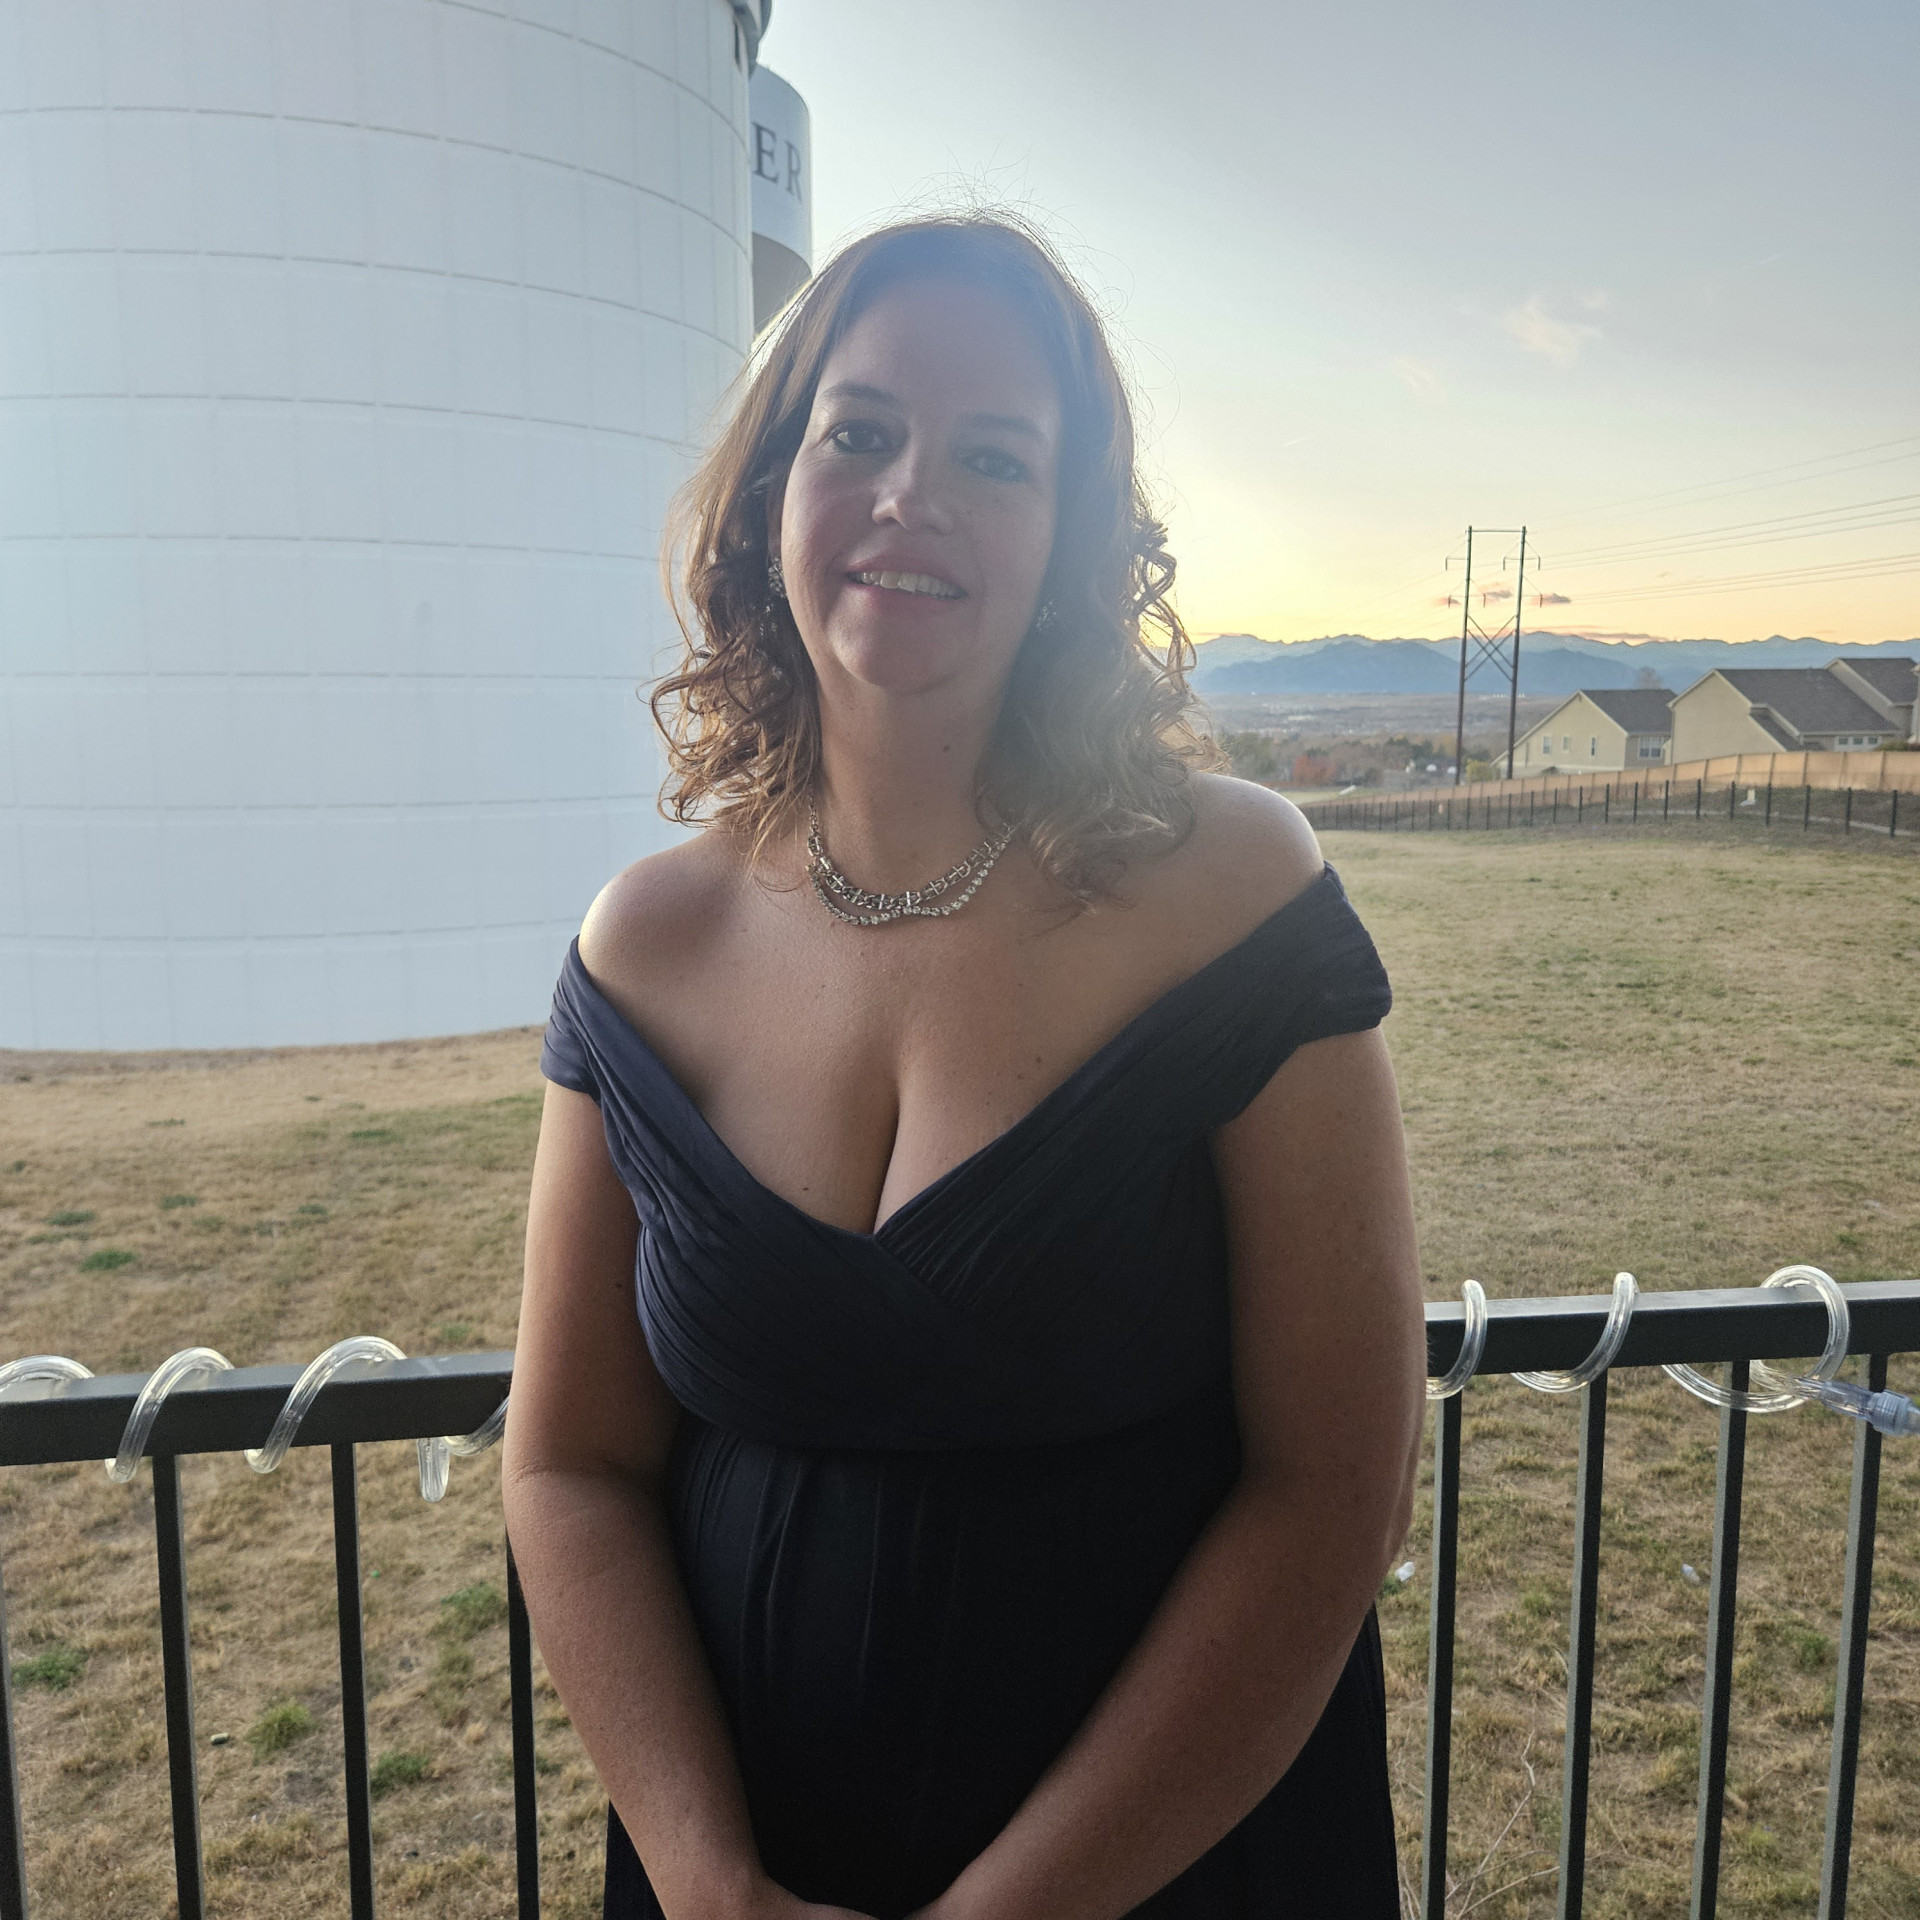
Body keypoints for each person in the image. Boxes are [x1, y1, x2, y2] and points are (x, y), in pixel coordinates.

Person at [502, 213, 1428, 1920]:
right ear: (769, 495)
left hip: (1174, 1877)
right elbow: (569, 1466)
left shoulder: (1235, 897)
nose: (911, 494)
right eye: (859, 432)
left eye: (995, 456)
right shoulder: (644, 949)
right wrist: (705, 1882)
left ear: (1073, 537)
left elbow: (1334, 1491)